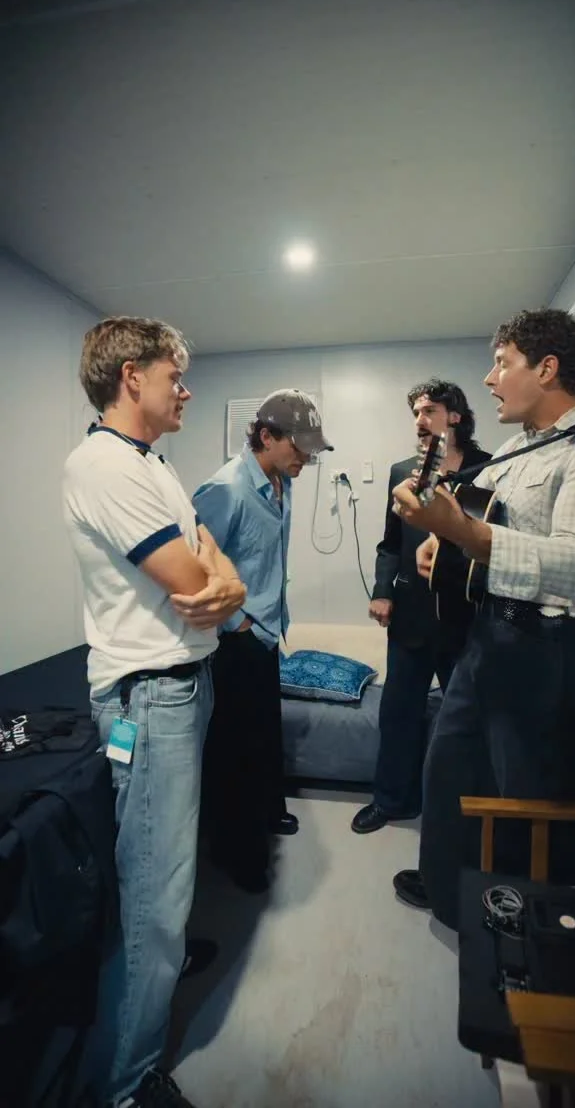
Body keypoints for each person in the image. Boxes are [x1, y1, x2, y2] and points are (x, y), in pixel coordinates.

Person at [389, 308, 575, 930]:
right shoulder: (514, 449)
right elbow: (479, 519)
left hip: (549, 647)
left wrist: (463, 533)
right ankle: (454, 896)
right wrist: (440, 543)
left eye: (502, 363)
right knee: (452, 773)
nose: (490, 378)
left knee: (527, 804)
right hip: (489, 636)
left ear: (547, 368)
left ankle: (527, 935)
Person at [63, 317, 246, 1108]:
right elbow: (196, 582)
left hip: (181, 688)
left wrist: (228, 584)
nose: (186, 391)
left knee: (160, 876)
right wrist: (223, 586)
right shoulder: (104, 466)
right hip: (150, 696)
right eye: (176, 376)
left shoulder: (154, 463)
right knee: (154, 894)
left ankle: (154, 968)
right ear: (132, 376)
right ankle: (124, 1086)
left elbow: (215, 562)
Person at [190, 389, 333, 893]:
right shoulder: (225, 489)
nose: (306, 459)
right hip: (237, 639)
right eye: (299, 447)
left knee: (265, 736)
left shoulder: (282, 482)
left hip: (269, 629)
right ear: (267, 436)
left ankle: (269, 812)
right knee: (236, 752)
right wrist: (238, 625)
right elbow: (195, 566)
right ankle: (237, 854)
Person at [352, 380, 490, 834]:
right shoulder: (402, 472)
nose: (419, 419)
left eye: (429, 410)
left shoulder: (488, 469)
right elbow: (390, 543)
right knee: (397, 714)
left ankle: (462, 815)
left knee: (466, 722)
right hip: (410, 617)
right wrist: (382, 590)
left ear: (455, 415)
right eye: (415, 412)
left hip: (465, 619)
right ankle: (391, 801)